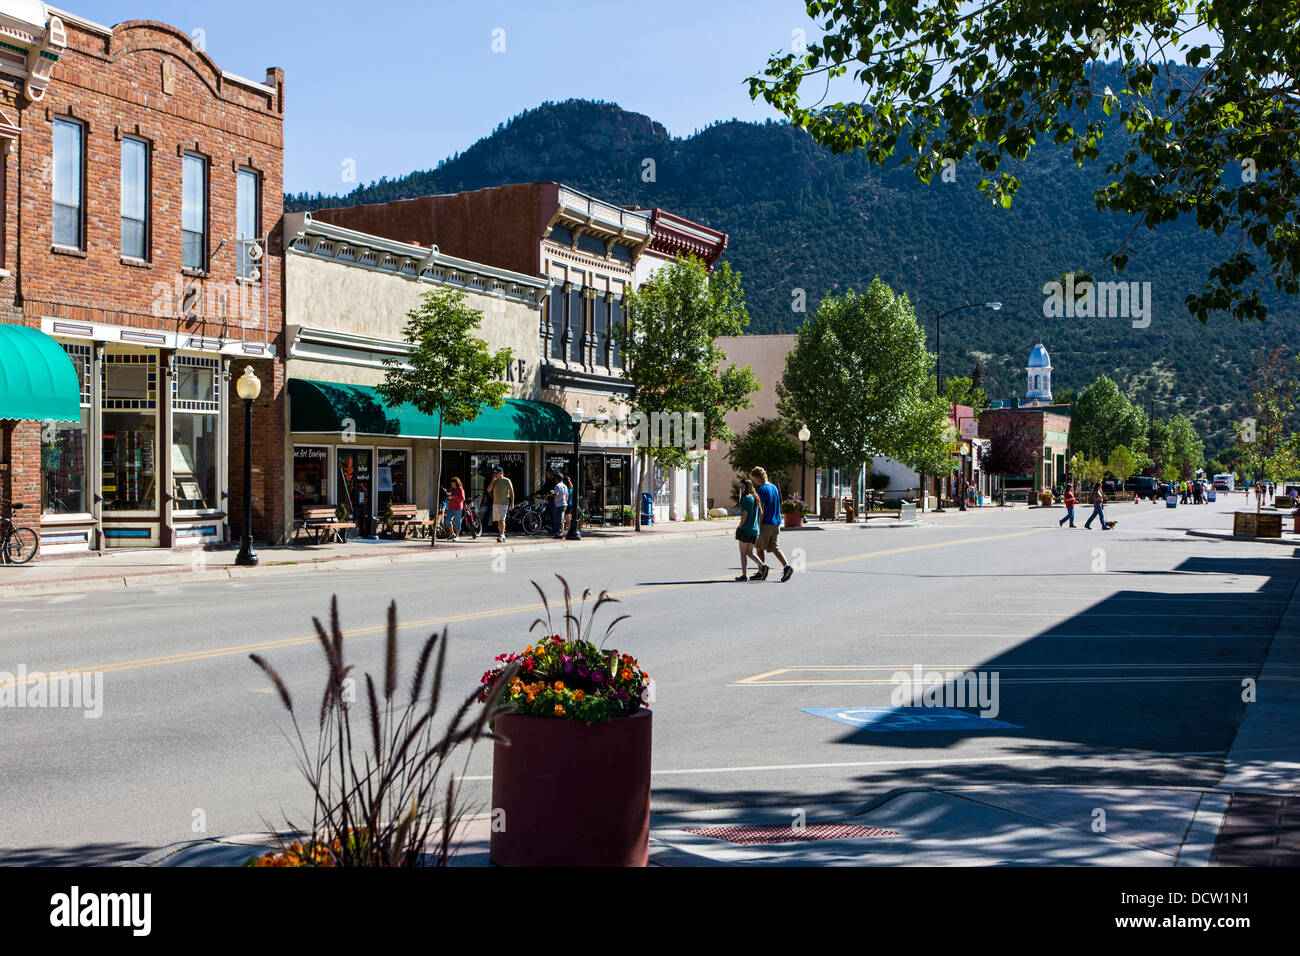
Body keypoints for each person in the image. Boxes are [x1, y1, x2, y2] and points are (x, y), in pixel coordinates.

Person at [750, 466, 794, 582]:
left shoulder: (762, 490)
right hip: (776, 521)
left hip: (766, 523)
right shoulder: (773, 487)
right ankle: (787, 566)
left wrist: (757, 526)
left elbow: (761, 510)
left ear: (759, 478)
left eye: (755, 479)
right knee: (774, 547)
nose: (755, 482)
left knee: (759, 548)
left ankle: (761, 570)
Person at [734, 478, 761, 581]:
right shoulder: (755, 498)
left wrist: (739, 526)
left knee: (742, 553)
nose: (741, 489)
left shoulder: (746, 499)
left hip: (745, 529)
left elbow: (744, 515)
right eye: (740, 487)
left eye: (743, 487)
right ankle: (763, 567)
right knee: (750, 553)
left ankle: (744, 575)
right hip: (754, 530)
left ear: (748, 487)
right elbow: (760, 514)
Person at [486, 465, 514, 543]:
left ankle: (502, 535)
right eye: (494, 473)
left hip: (504, 503)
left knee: (502, 519)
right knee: (499, 520)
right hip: (496, 503)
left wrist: (512, 503)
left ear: (501, 473)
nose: (495, 474)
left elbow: (512, 492)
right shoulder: (495, 481)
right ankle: (501, 534)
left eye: (496, 473)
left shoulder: (507, 480)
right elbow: (488, 490)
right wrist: (492, 481)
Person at [444, 476, 466, 541]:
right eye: (451, 483)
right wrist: (449, 497)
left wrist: (454, 497)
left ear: (456, 483)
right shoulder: (452, 489)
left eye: (453, 483)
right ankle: (452, 533)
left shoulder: (460, 489)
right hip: (451, 507)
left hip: (458, 508)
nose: (452, 484)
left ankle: (457, 536)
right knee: (448, 520)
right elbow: (450, 496)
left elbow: (462, 498)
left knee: (457, 521)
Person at [552, 472, 570, 538]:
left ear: (556, 479)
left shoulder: (557, 486)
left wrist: (551, 494)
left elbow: (556, 495)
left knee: (560, 519)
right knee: (561, 518)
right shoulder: (565, 486)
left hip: (559, 504)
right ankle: (561, 532)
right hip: (564, 504)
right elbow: (567, 494)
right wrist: (565, 501)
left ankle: (560, 532)